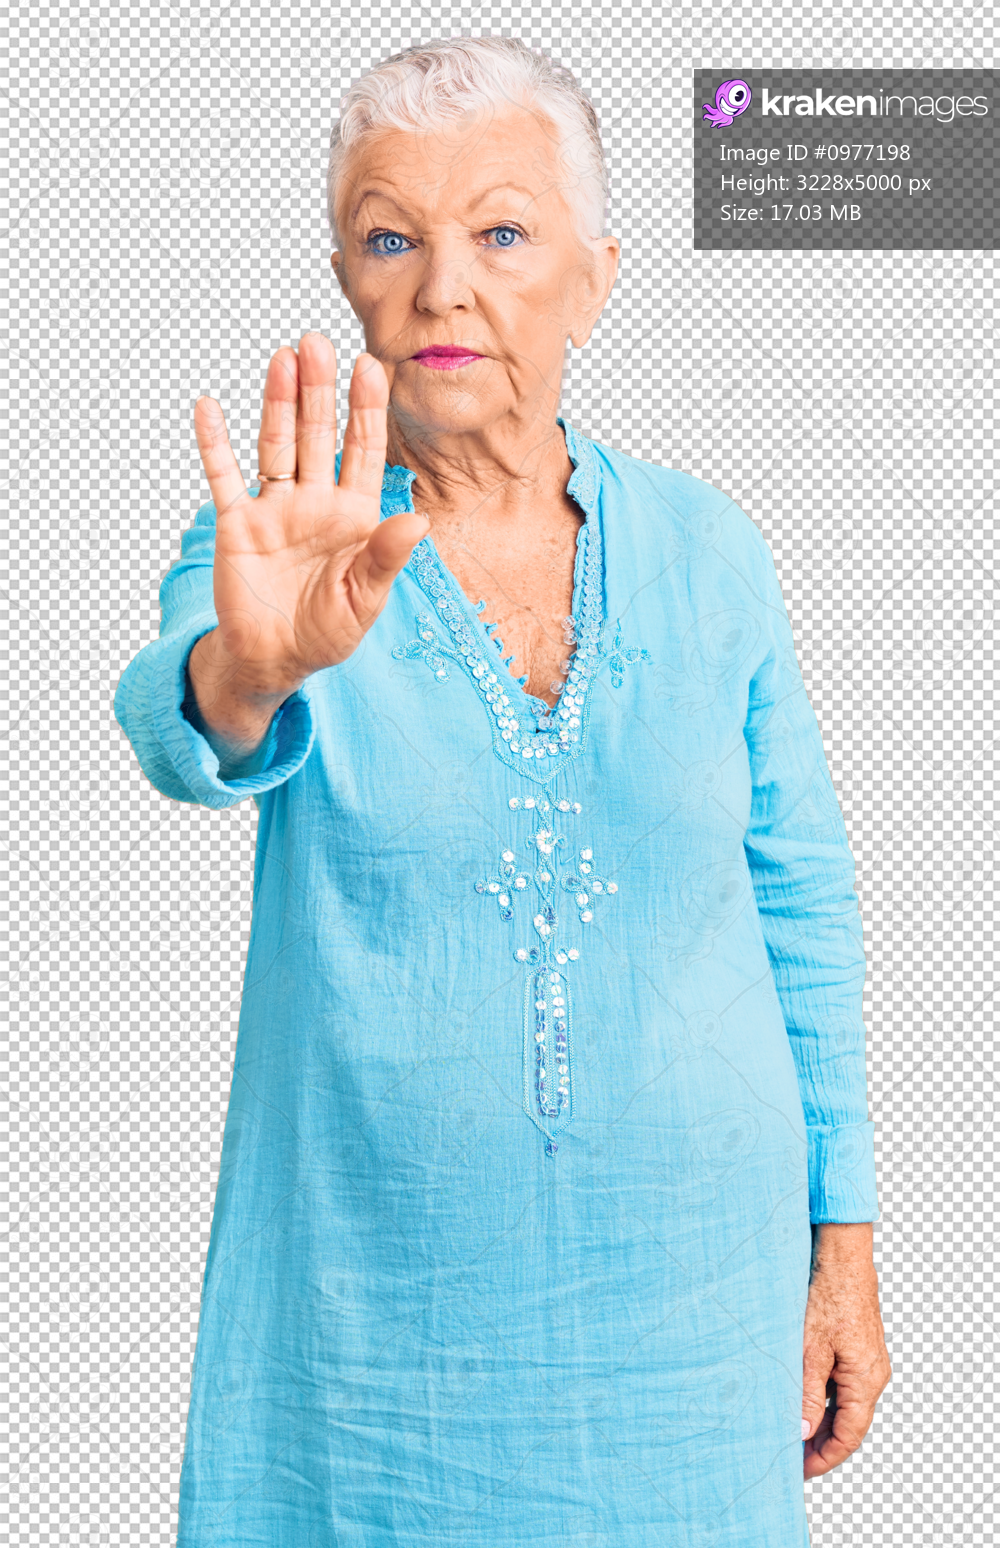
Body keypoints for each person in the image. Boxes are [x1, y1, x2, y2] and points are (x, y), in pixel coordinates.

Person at [114, 35, 891, 1548]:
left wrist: (845, 1240)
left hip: (696, 1326)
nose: (443, 288)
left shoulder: (711, 551)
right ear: (345, 280)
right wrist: (249, 667)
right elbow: (183, 721)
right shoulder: (293, 543)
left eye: (504, 233)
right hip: (374, 1343)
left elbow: (802, 896)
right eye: (390, 238)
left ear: (597, 278)